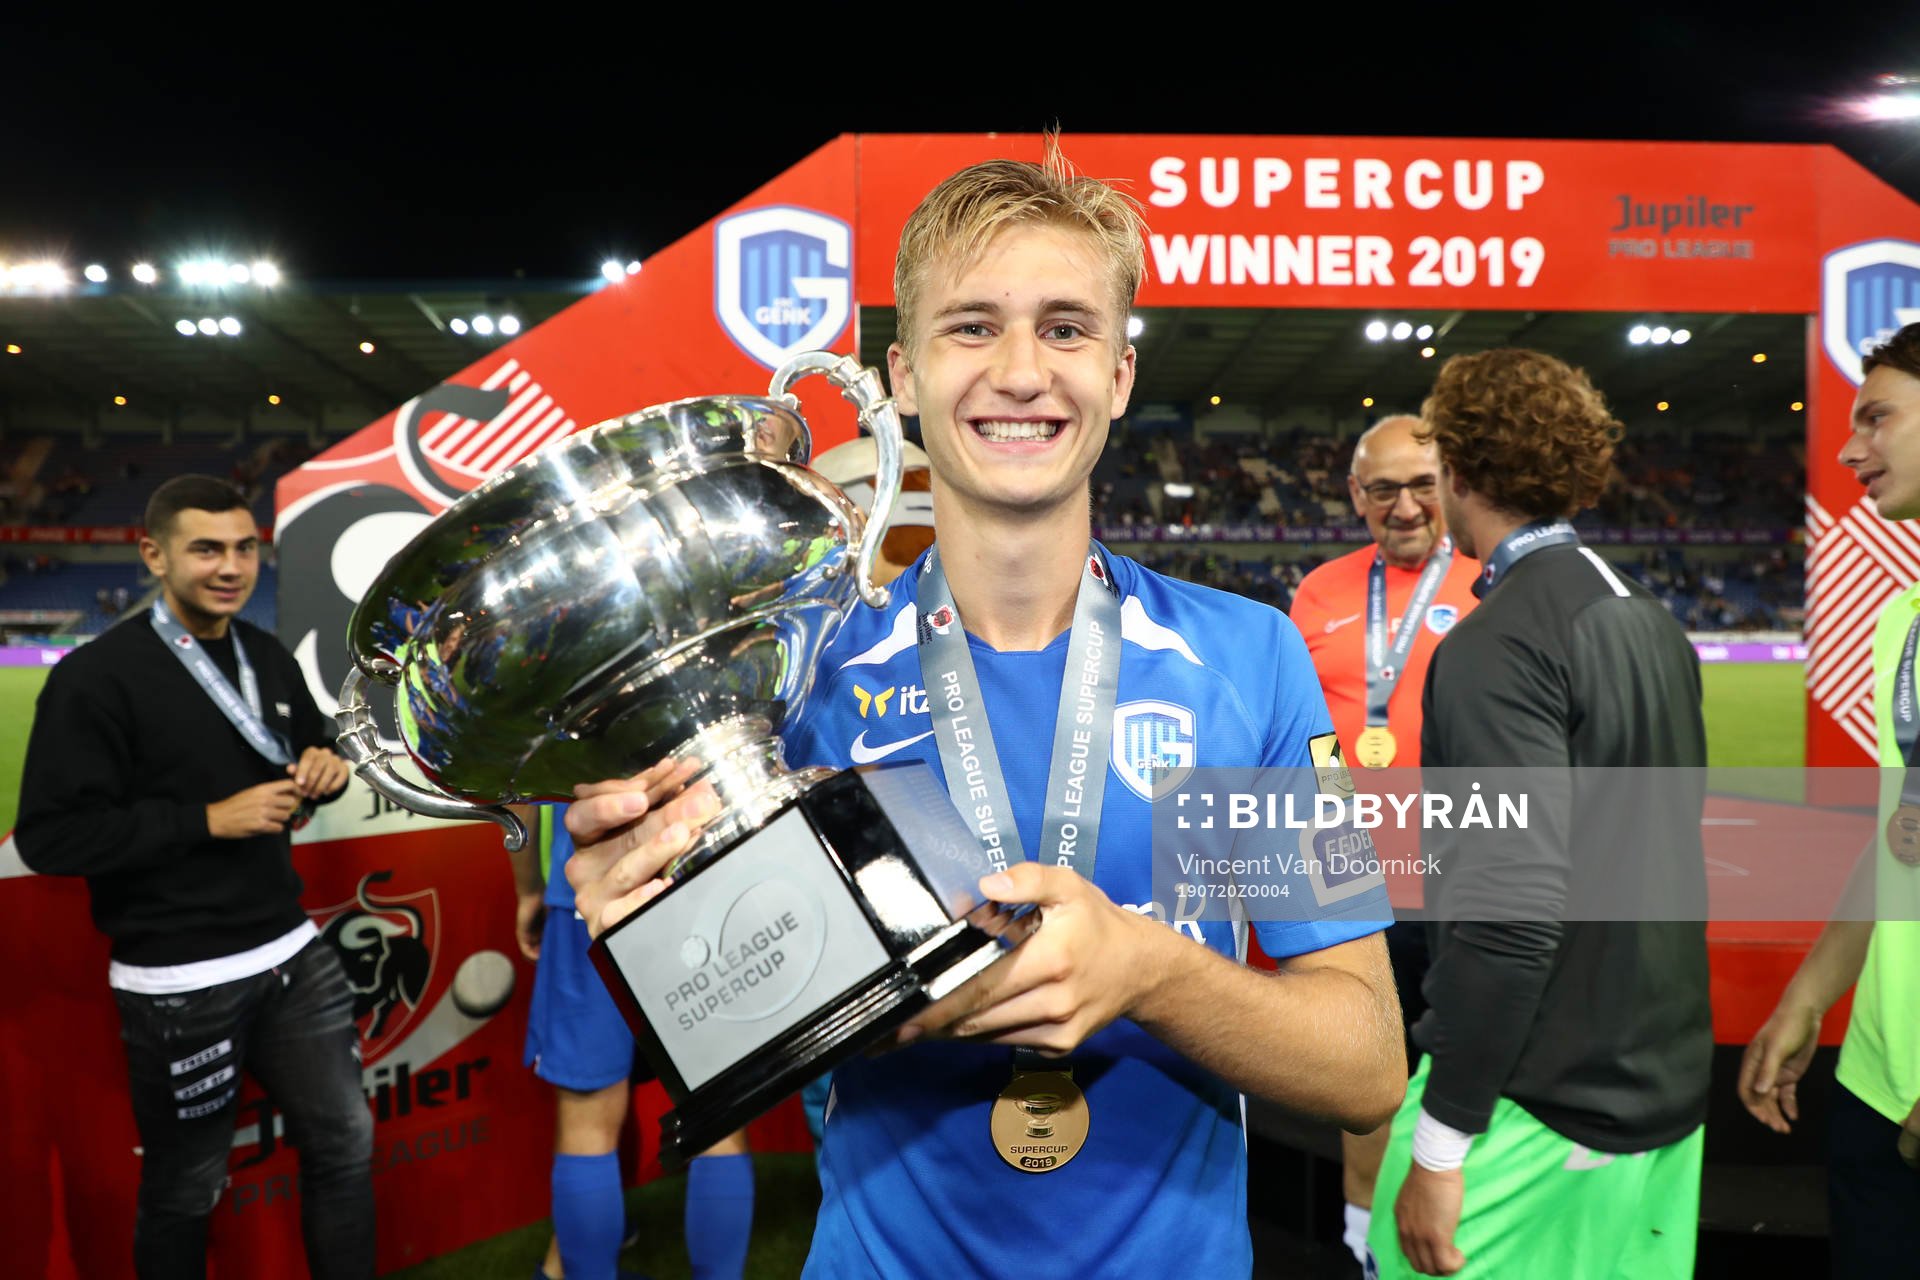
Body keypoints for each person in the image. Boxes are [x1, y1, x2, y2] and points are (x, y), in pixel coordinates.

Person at [562, 141, 1405, 1278]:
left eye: (1066, 327)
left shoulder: (1242, 657)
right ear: (901, 375)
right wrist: (649, 923)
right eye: (972, 326)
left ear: (1118, 373)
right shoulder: (798, 675)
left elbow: (1365, 1062)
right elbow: (725, 1024)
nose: (1020, 371)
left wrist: (1151, 971)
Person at [1368, 350, 1712, 1278]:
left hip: (1533, 1108)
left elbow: (1508, 916)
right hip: (1662, 1098)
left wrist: (1443, 1145)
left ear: (1458, 473)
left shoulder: (1498, 642)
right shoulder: (1646, 615)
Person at [15, 474, 369, 1279]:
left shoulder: (265, 656)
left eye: (245, 548)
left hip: (292, 956)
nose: (231, 566)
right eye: (206, 548)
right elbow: (49, 837)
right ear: (154, 555)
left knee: (346, 1147)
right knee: (186, 1187)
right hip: (180, 977)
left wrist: (329, 766)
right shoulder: (95, 678)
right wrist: (206, 820)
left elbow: (319, 748)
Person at [1738, 321, 1920, 1277]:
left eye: (1877, 419)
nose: (1850, 449)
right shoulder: (1903, 615)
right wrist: (1806, 999)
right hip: (1878, 1084)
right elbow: (1904, 846)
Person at [1284, 413, 1479, 1270]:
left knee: (1474, 1050)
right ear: (1355, 495)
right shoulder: (1320, 590)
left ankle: (1461, 1222)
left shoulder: (1490, 580)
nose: (1404, 507)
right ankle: (1364, 1237)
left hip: (1464, 868)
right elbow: (1310, 733)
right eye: (1383, 489)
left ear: (1452, 487)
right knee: (1368, 1068)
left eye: (1422, 485)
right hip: (1352, 874)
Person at [509, 807, 755, 1280]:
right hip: (706, 872)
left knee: (588, 1126)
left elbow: (515, 795)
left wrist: (526, 889)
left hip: (589, 885)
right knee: (720, 1119)